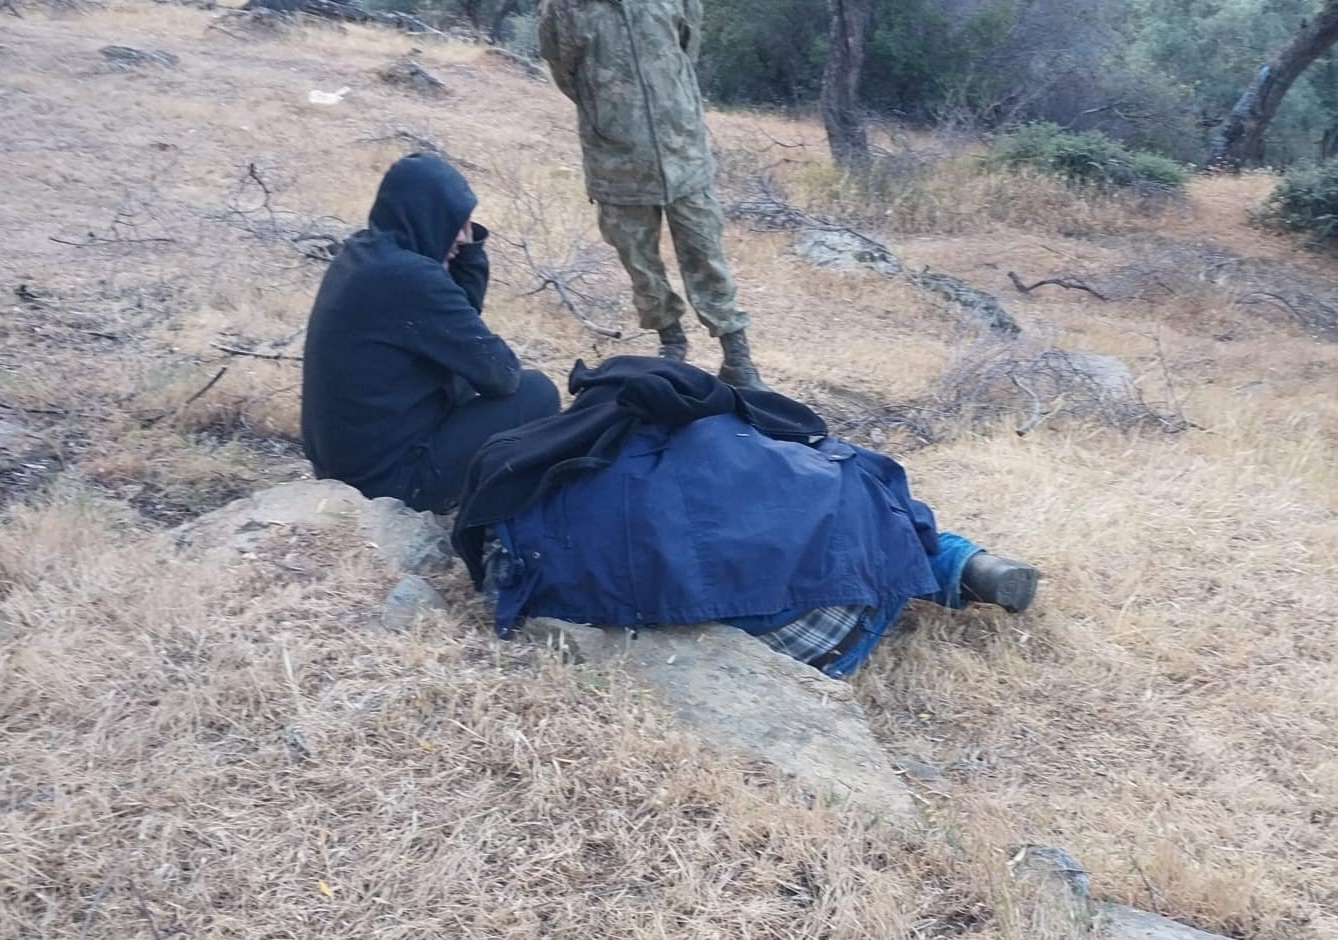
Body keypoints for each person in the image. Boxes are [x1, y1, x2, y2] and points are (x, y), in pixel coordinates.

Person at [452, 356, 1038, 679]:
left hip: (553, 591)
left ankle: (959, 563)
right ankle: (962, 564)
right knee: (881, 522)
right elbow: (873, 491)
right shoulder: (747, 446)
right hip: (810, 634)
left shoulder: (530, 461)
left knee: (856, 524)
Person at [301, 154, 560, 514]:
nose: (462, 237)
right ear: (425, 216)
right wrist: (469, 254)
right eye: (455, 224)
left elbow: (460, 335)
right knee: (537, 393)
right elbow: (501, 373)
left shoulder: (365, 255)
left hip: (342, 469)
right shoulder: (409, 279)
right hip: (388, 485)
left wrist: (466, 251)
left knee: (462, 379)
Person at [538, 0, 768, 391]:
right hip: (616, 158)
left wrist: (667, 105)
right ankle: (671, 344)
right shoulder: (563, 6)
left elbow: (685, 47)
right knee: (640, 264)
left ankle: (737, 359)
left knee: (705, 254)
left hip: (683, 150)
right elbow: (566, 73)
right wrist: (611, 111)